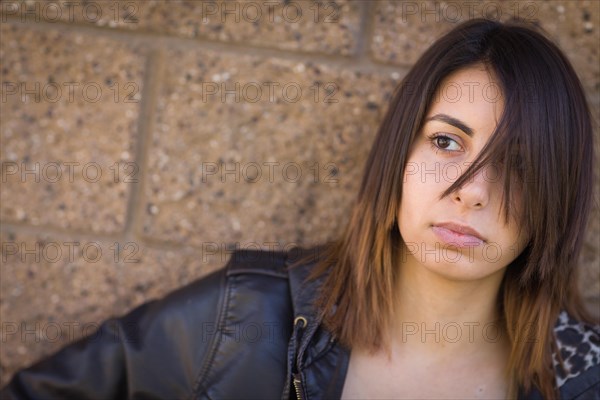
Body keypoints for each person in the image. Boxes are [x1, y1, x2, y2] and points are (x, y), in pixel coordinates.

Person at [2, 18, 599, 400]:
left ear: (559, 196)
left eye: (518, 163)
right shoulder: (247, 319)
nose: (472, 190)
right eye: (446, 141)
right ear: (398, 154)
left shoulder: (582, 379)